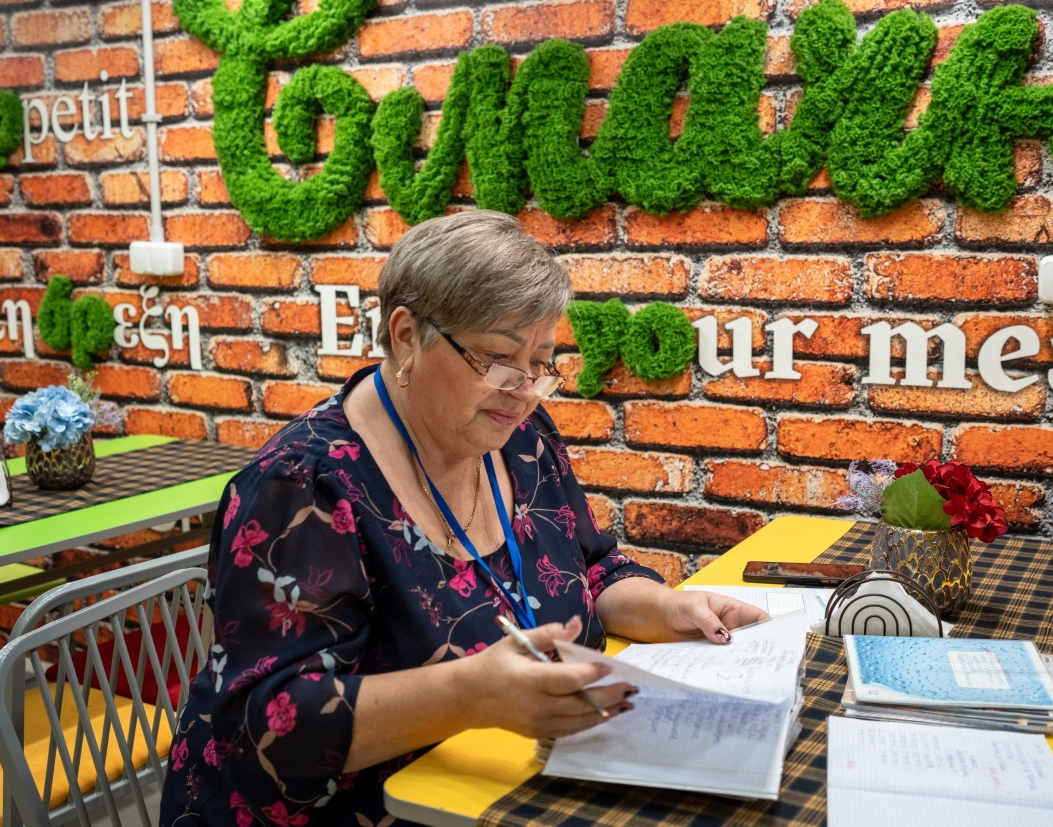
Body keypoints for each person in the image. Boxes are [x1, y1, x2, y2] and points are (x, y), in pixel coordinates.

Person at [160, 210, 768, 827]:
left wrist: (666, 608)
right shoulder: (302, 488)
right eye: (499, 356)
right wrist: (468, 695)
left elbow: (593, 567)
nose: (526, 388)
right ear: (405, 337)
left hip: (509, 788)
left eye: (542, 361)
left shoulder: (519, 439)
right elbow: (267, 727)